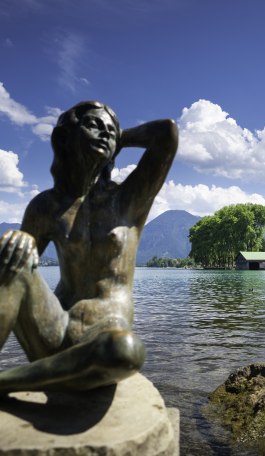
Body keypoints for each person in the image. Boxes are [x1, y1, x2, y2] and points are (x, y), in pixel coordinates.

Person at [0, 101, 178, 393]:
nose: (105, 134)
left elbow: (167, 133)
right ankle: (41, 374)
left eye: (111, 131)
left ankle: (6, 383)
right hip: (53, 328)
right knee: (11, 249)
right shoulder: (47, 206)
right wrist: (19, 241)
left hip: (106, 336)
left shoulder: (128, 200)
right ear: (67, 136)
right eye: (95, 125)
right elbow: (14, 273)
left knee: (126, 350)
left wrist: (121, 136)